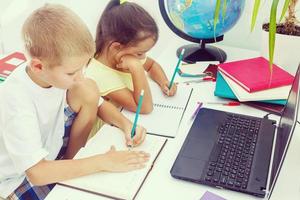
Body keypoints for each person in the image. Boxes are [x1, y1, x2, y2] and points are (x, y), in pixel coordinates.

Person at [0, 4, 149, 200]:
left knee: (88, 88)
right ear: (38, 66)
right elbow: (36, 173)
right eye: (71, 72)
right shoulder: (16, 100)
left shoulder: (53, 73)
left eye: (84, 66)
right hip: (18, 178)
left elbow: (98, 103)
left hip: (50, 150)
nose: (79, 76)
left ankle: (71, 163)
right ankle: (72, 169)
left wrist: (126, 124)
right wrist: (102, 162)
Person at [85, 0, 177, 115]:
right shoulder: (98, 75)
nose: (143, 57)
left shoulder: (124, 54)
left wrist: (163, 81)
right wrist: (137, 67)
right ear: (116, 47)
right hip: (110, 129)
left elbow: (152, 65)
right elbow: (144, 108)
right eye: (139, 53)